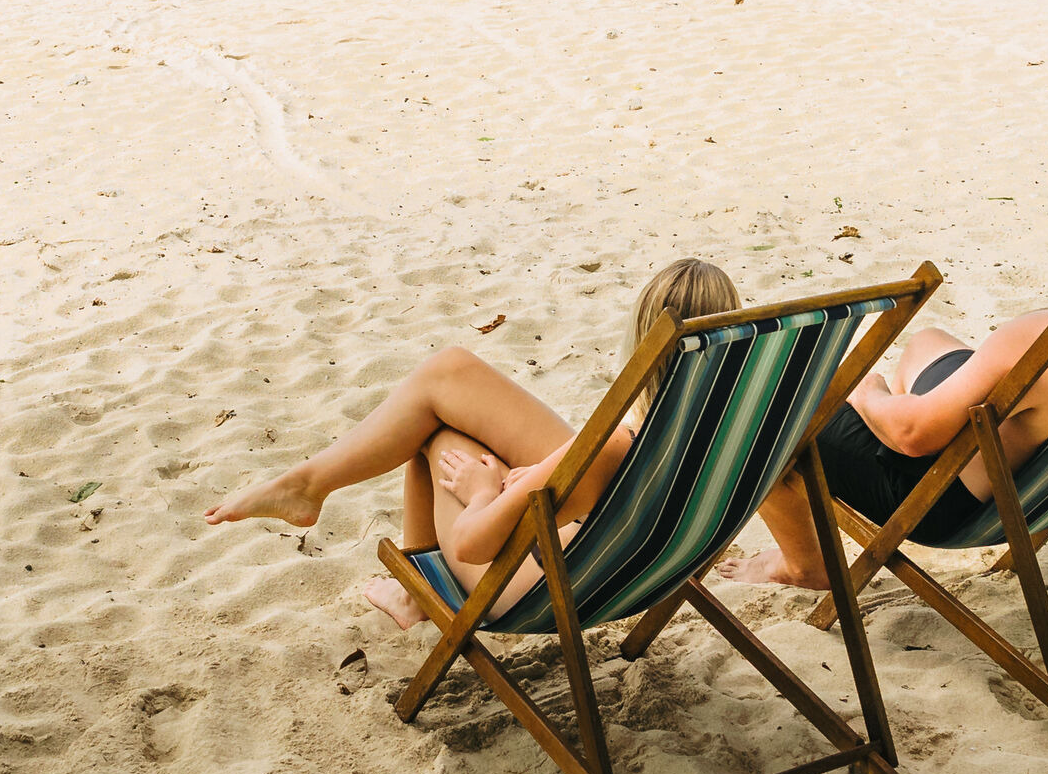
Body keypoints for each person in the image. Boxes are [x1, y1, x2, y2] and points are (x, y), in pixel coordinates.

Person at [728, 155, 1048, 588]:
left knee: (757, 414)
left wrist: (865, 391)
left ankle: (804, 566)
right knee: (927, 343)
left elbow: (913, 435)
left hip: (944, 505)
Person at [203, 257, 743, 628]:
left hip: (549, 588)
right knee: (450, 375)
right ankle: (334, 514)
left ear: (641, 341)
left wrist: (487, 491)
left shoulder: (613, 445)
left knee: (436, 433)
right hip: (640, 554)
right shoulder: (747, 425)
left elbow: (472, 545)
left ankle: (397, 575)